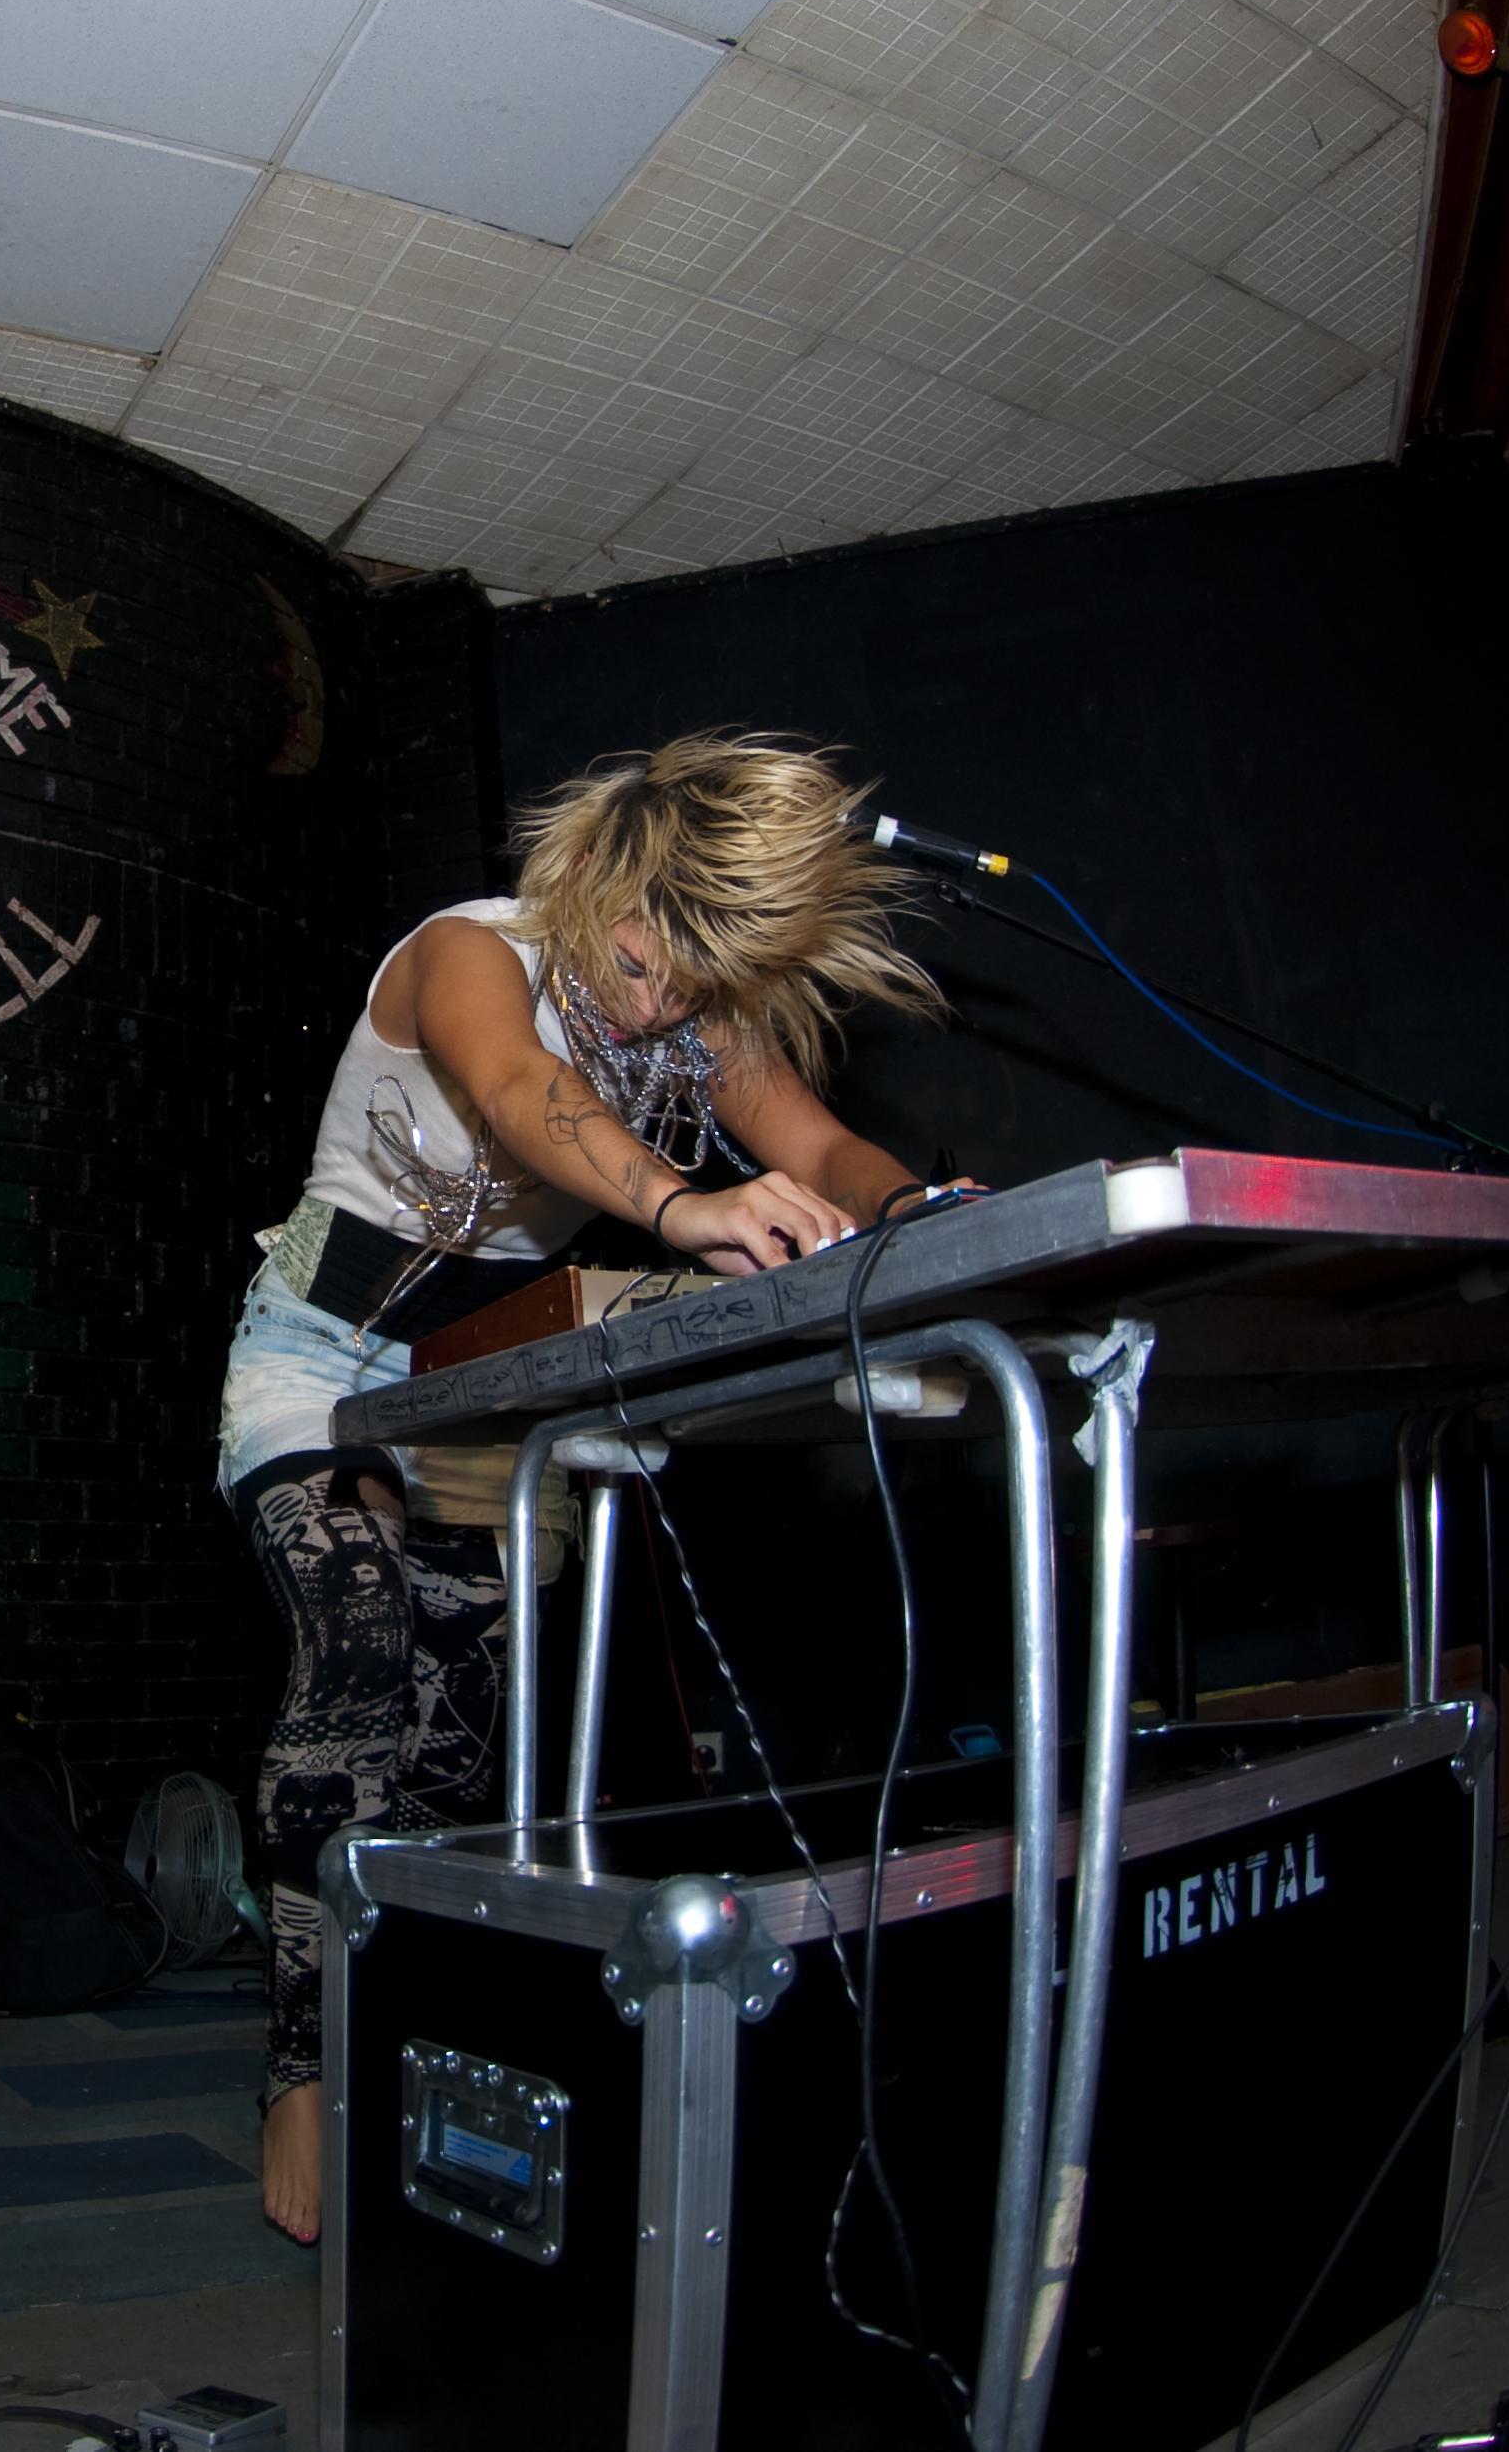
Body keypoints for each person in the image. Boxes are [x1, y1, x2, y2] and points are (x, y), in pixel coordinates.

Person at [213, 730, 945, 2245]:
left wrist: (912, 1207)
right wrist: (685, 1205)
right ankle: (298, 2061)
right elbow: (516, 1084)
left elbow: (820, 1141)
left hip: (488, 1375)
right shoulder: (474, 951)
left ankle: (402, 2014)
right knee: (356, 1630)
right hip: (320, 1346)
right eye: (637, 964)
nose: (657, 1005)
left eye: (690, 985)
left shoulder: (697, 1011)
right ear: (596, 886)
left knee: (459, 1716)